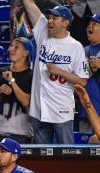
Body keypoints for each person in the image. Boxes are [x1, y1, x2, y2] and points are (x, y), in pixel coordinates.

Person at [21, 1, 89, 144]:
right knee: (40, 160)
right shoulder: (42, 34)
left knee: (67, 157)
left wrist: (59, 71)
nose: (50, 21)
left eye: (54, 18)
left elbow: (82, 81)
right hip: (39, 110)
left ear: (65, 23)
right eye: (49, 18)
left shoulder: (76, 47)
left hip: (62, 111)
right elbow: (29, 5)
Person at [0, 37, 34, 143]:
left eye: (16, 47)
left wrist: (12, 81)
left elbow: (26, 101)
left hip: (22, 133)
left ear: (25, 53)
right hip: (1, 131)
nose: (11, 49)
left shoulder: (31, 75)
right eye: (11, 46)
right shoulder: (2, 72)